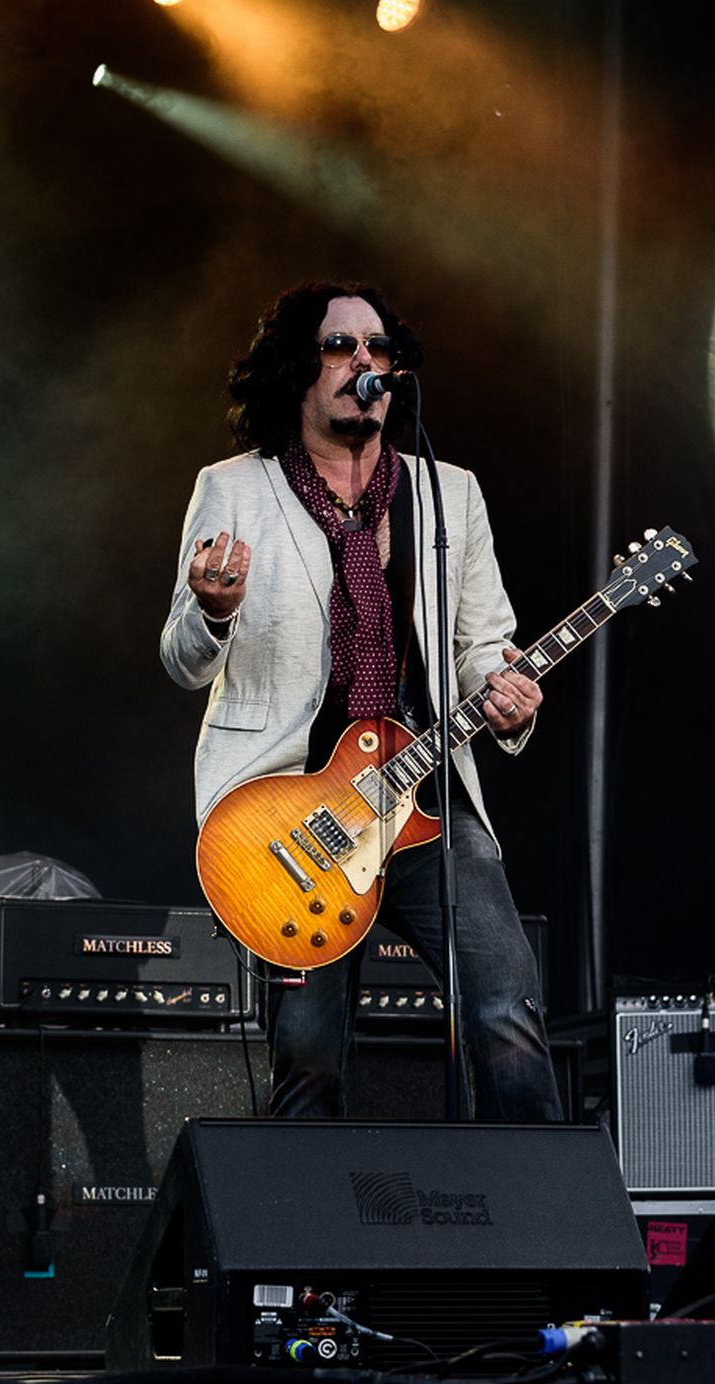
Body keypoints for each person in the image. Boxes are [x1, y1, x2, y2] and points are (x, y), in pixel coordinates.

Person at [160, 281, 563, 1122]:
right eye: (340, 347)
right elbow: (182, 661)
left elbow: (482, 646)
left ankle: (538, 1203)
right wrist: (214, 611)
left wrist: (510, 697)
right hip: (292, 809)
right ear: (297, 370)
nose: (363, 363)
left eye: (378, 349)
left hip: (421, 792)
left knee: (508, 1008)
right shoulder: (234, 488)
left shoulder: (449, 493)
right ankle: (299, 1212)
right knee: (308, 1055)